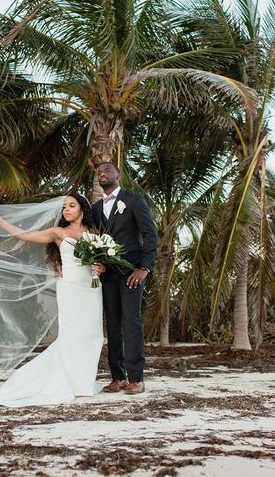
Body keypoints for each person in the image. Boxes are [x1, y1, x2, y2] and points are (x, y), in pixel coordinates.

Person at [0, 194, 105, 407]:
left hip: (91, 289)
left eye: (71, 206)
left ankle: (84, 381)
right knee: (71, 333)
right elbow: (25, 236)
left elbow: (102, 261)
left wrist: (101, 267)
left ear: (82, 210)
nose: (66, 209)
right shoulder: (58, 232)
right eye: (64, 206)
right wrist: (1, 222)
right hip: (70, 288)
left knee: (92, 334)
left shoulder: (94, 234)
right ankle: (70, 381)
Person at [92, 162, 158, 395]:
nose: (102, 174)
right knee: (113, 324)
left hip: (132, 272)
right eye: (99, 172)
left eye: (107, 170)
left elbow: (150, 235)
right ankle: (118, 377)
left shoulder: (133, 200)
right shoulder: (96, 208)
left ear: (118, 175)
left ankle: (136, 379)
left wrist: (144, 268)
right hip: (108, 274)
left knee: (131, 322)